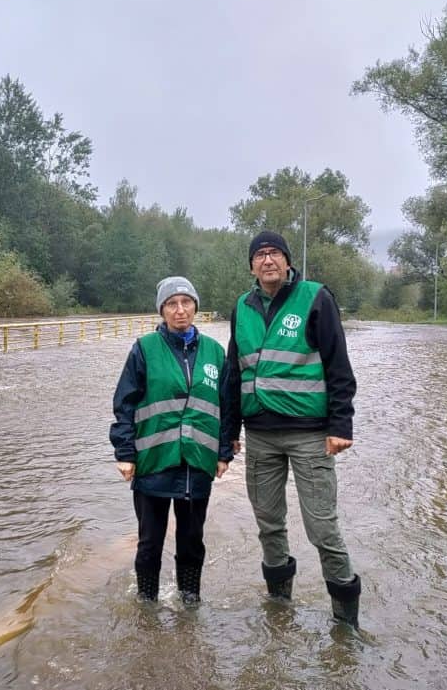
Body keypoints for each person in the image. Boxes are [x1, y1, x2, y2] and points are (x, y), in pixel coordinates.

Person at [223, 230, 361, 626]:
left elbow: (339, 366)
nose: (268, 261)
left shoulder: (315, 297)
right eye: (260, 255)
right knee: (268, 524)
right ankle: (280, 608)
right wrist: (231, 431)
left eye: (275, 254)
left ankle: (345, 622)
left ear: (287, 262)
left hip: (310, 435)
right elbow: (234, 373)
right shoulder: (242, 306)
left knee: (322, 528)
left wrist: (341, 424)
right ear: (251, 265)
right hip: (260, 435)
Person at [110, 276, 234, 604]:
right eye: (171, 304)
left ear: (196, 306)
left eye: (186, 302)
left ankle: (190, 599)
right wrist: (125, 453)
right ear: (162, 310)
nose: (180, 310)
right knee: (150, 541)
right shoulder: (144, 349)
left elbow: (227, 407)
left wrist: (223, 453)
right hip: (153, 462)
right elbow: (124, 405)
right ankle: (147, 603)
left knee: (192, 539)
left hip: (198, 463)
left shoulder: (214, 353)